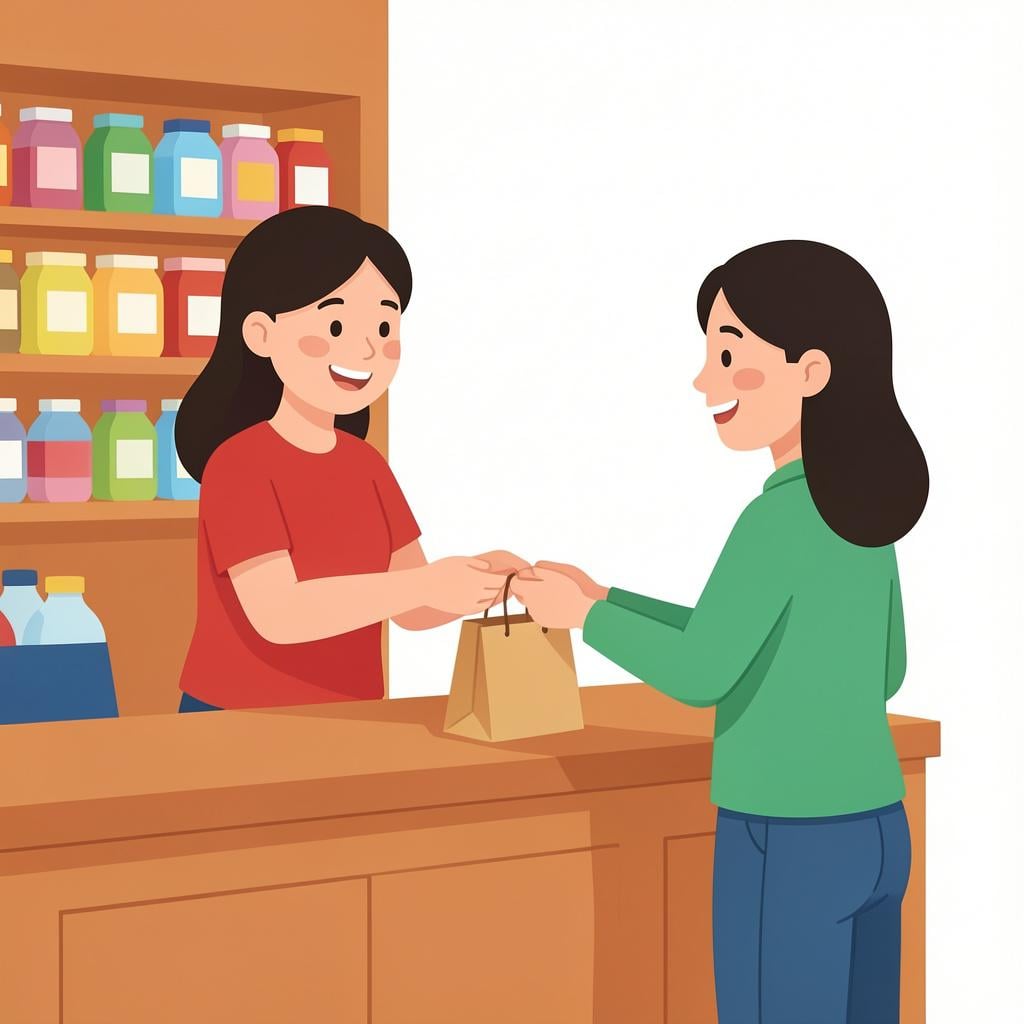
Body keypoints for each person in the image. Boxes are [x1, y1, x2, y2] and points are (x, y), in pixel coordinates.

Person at [511, 240, 928, 1024]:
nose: (706, 381)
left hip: (789, 834)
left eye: (731, 356)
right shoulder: (864, 520)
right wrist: (606, 596)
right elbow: (887, 668)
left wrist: (585, 618)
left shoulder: (776, 520)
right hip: (878, 831)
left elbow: (703, 669)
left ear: (811, 372)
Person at [175, 206, 526, 711]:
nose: (366, 350)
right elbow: (279, 613)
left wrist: (482, 579)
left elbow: (412, 609)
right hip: (238, 717)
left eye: (384, 326)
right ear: (261, 334)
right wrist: (424, 584)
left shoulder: (366, 465)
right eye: (336, 324)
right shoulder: (239, 465)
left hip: (353, 712)